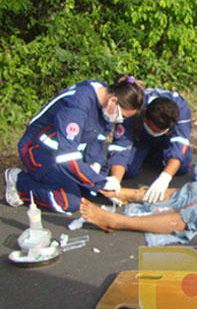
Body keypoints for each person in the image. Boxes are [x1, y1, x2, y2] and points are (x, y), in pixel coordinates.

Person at [3, 75, 145, 212]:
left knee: (94, 190)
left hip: (66, 150)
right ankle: (19, 182)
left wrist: (95, 165)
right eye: (122, 116)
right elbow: (66, 156)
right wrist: (98, 182)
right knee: (68, 201)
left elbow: (98, 140)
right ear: (113, 101)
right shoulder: (77, 105)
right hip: (39, 149)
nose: (120, 121)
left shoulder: (105, 103)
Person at [108, 88, 193, 203]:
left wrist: (164, 178)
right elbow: (120, 146)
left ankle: (151, 156)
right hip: (140, 138)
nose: (155, 132)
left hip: (166, 141)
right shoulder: (133, 106)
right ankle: (144, 155)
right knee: (128, 170)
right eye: (152, 129)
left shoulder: (181, 109)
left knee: (182, 166)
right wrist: (115, 182)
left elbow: (179, 144)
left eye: (159, 131)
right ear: (145, 114)